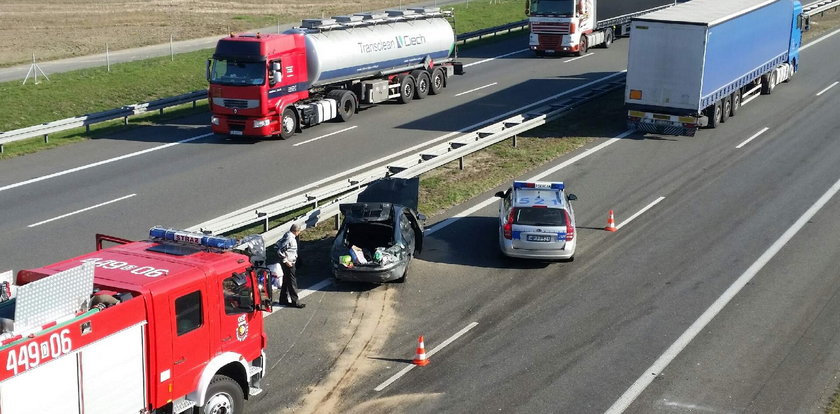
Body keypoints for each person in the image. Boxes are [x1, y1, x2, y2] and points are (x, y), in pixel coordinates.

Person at [276, 224, 305, 308]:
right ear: (296, 231)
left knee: (286, 281)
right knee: (292, 282)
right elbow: (280, 251)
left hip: (289, 261)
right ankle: (295, 302)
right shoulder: (290, 239)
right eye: (299, 231)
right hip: (289, 263)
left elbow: (277, 245)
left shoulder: (287, 235)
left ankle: (283, 299)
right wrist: (286, 261)